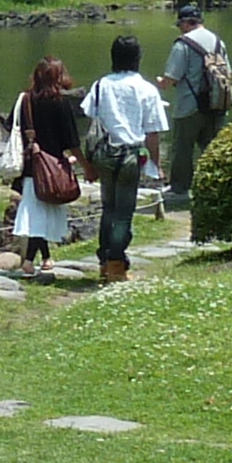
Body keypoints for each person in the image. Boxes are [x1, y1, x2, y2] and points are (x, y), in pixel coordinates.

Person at [87, 35, 170, 283]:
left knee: (108, 208)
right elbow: (152, 133)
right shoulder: (146, 89)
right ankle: (116, 263)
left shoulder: (101, 85)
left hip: (104, 153)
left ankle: (104, 261)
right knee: (124, 213)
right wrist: (157, 164)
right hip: (131, 155)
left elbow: (90, 114)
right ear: (137, 58)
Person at [6, 57, 88, 270]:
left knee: (35, 212)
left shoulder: (24, 100)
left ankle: (41, 258)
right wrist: (85, 165)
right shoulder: (60, 103)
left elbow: (10, 125)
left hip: (30, 165)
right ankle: (31, 260)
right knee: (42, 212)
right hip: (54, 167)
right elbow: (72, 140)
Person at [161, 0, 232, 212]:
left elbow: (171, 78)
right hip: (217, 104)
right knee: (212, 149)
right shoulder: (218, 42)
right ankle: (216, 186)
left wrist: (160, 83)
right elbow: (228, 73)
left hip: (189, 106)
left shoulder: (183, 44)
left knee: (182, 148)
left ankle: (180, 189)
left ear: (185, 23)